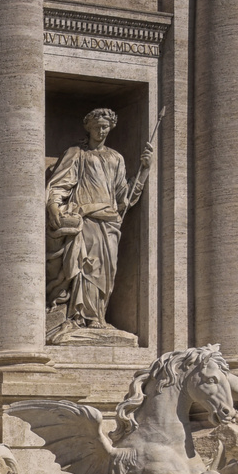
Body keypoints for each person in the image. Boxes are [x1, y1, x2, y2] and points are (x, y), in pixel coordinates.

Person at [45, 107, 151, 330]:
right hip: (86, 218)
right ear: (89, 128)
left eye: (105, 127)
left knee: (105, 270)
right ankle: (80, 316)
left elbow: (123, 196)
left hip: (109, 221)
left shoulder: (116, 158)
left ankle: (98, 315)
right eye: (97, 127)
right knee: (86, 266)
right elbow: (61, 183)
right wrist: (54, 205)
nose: (101, 131)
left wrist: (144, 170)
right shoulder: (77, 153)